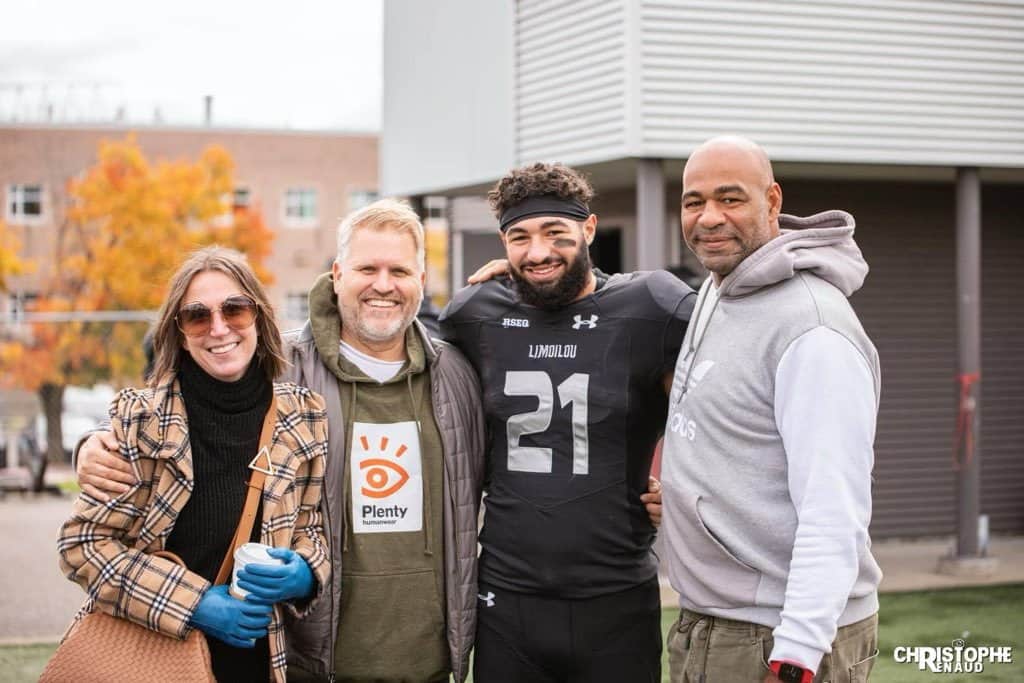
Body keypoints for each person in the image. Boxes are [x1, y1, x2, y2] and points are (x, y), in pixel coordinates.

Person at [75, 200, 486, 683]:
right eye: (366, 268)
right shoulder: (276, 365)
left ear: (421, 278)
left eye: (399, 270)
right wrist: (93, 441)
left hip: (430, 663)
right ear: (336, 274)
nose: (382, 284)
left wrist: (306, 567)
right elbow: (180, 398)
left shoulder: (456, 376)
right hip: (306, 661)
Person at [440, 162, 696, 683]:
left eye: (556, 233)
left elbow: (733, 383)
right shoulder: (475, 312)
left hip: (617, 596)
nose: (538, 252)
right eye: (520, 237)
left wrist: (695, 482)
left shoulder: (652, 306)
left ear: (590, 228)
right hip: (507, 598)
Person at [660, 136, 882, 683]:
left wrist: (797, 656)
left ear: (773, 201)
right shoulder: (721, 287)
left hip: (773, 636)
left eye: (730, 199)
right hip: (714, 619)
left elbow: (833, 510)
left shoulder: (812, 329)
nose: (709, 218)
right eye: (694, 201)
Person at [57, 246, 330, 683]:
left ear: (258, 316)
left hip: (258, 662)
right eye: (198, 316)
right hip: (151, 660)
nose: (218, 328)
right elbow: (84, 545)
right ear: (179, 331)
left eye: (235, 310)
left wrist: (305, 572)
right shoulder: (141, 420)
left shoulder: (304, 417)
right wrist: (195, 604)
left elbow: (310, 528)